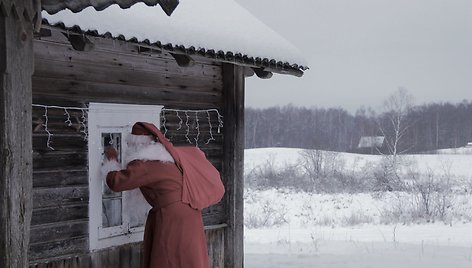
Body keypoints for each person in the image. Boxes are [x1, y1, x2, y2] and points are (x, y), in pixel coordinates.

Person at [101, 122, 223, 268]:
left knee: (168, 256)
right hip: (190, 212)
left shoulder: (145, 163)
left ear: (136, 145)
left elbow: (117, 182)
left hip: (171, 216)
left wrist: (111, 160)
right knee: (188, 256)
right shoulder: (169, 158)